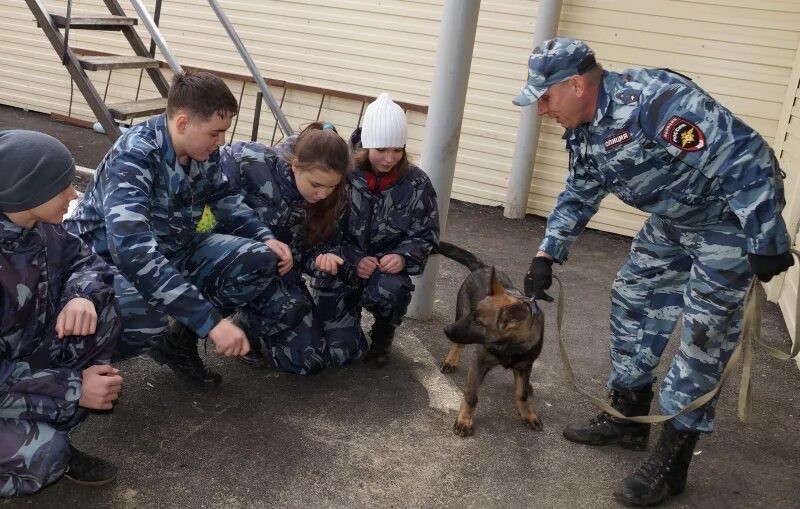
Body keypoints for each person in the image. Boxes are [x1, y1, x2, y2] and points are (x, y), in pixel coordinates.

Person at [512, 37, 793, 507]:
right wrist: (547, 254)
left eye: (546, 97)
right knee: (633, 298)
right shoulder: (584, 125)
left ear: (577, 85)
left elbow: (748, 161)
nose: (542, 110)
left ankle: (673, 462)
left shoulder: (657, 101)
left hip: (726, 223)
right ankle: (627, 416)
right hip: (674, 222)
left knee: (703, 337)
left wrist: (765, 239)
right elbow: (580, 189)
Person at [65, 71, 297, 389]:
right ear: (184, 123)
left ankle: (177, 341)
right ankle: (69, 373)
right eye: (215, 133)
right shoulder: (135, 156)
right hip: (104, 269)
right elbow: (132, 252)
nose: (222, 142)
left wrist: (265, 237)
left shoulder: (204, 152)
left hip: (175, 249)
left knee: (258, 259)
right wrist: (209, 322)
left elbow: (225, 199)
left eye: (224, 133)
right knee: (146, 314)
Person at [0, 130, 123, 495]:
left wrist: (80, 296)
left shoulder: (36, 226)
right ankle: (47, 439)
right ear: (28, 190)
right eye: (62, 186)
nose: (73, 195)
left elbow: (86, 260)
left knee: (103, 311)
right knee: (46, 454)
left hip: (17, 362)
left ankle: (49, 419)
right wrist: (72, 389)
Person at [312, 93, 439, 368]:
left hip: (382, 273)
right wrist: (354, 259)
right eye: (381, 149)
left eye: (397, 149)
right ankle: (347, 329)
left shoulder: (417, 183)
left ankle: (383, 334)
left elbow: (426, 232)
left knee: (394, 289)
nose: (389, 158)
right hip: (341, 268)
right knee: (340, 354)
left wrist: (403, 256)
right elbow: (319, 230)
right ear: (366, 145)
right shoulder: (339, 174)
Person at [219, 122, 356, 372]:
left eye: (332, 186)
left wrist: (320, 259)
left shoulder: (336, 198)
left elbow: (314, 248)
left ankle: (245, 325)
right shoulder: (247, 162)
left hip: (279, 277)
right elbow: (204, 186)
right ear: (295, 166)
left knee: (307, 361)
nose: (323, 194)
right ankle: (185, 332)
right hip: (230, 264)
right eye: (316, 185)